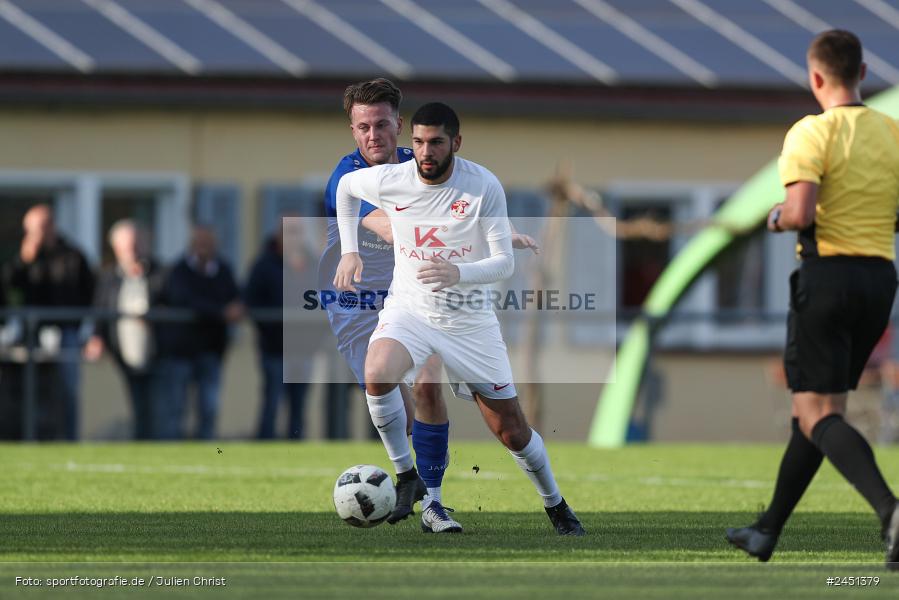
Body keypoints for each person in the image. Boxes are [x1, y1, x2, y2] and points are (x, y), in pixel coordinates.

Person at [333, 102, 584, 536]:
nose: (425, 152)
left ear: (456, 143)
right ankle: (409, 477)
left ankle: (556, 504)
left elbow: (504, 263)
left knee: (511, 431)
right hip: (410, 309)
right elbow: (346, 189)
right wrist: (349, 250)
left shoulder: (482, 185)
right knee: (378, 372)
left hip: (469, 321)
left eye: (435, 143)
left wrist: (458, 272)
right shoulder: (394, 179)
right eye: (418, 142)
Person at [726, 30, 899, 568]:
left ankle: (892, 511)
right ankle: (767, 530)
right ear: (863, 74)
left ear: (816, 77)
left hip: (828, 279)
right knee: (821, 411)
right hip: (879, 280)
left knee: (816, 411)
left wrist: (776, 217)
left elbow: (800, 212)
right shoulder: (893, 132)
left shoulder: (810, 132)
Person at [1, 204, 94, 440]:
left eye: (42, 227)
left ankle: (70, 438)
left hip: (65, 332)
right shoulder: (24, 258)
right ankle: (30, 437)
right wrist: (24, 260)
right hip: (30, 334)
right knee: (30, 390)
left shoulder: (73, 256)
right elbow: (9, 288)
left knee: (67, 389)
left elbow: (89, 294)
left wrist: (85, 330)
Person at [84, 220, 167, 440]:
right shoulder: (109, 277)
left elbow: (172, 303)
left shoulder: (161, 273)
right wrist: (96, 338)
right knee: (139, 407)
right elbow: (100, 311)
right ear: (117, 248)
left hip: (159, 353)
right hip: (125, 354)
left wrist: (153, 316)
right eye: (129, 246)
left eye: (137, 244)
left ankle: (161, 448)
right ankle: (143, 449)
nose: (134, 250)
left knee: (160, 411)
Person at [158, 225, 243, 440]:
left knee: (209, 409)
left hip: (211, 350)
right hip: (181, 351)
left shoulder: (223, 270)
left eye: (208, 243)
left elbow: (235, 299)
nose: (204, 248)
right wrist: (220, 312)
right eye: (200, 243)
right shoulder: (178, 271)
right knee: (176, 409)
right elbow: (186, 301)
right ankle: (172, 455)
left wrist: (230, 309)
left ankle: (206, 453)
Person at [245, 218, 316, 439]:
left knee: (299, 405)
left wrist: (315, 339)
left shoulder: (314, 264)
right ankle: (264, 448)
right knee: (272, 403)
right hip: (275, 348)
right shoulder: (264, 265)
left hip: (303, 349)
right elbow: (251, 300)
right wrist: (270, 331)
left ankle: (295, 450)